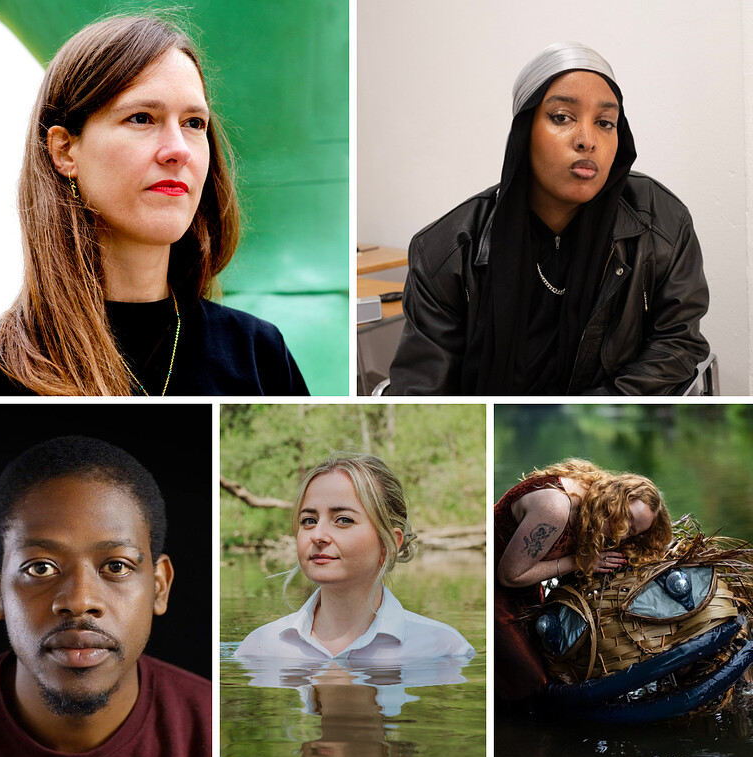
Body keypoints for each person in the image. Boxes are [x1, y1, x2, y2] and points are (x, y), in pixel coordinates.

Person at [0, 14, 308, 396]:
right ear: (64, 150)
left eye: (193, 123)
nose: (178, 150)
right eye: (142, 118)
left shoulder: (258, 353)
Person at [389, 42, 709, 396]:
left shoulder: (662, 223)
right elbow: (422, 389)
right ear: (525, 131)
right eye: (562, 117)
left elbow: (678, 344)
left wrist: (588, 414)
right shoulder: (444, 252)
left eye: (605, 123)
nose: (587, 140)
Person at [0, 436, 210, 757]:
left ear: (160, 587)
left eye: (116, 566)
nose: (79, 601)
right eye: (40, 568)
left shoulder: (215, 733)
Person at [235, 453, 476, 661]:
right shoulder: (259, 649)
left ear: (390, 542)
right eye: (309, 520)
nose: (318, 535)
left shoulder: (445, 649)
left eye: (343, 520)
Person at [494, 458, 672, 708]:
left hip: (526, 590)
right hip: (492, 588)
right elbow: (509, 576)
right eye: (627, 519)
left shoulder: (596, 509)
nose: (622, 533)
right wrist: (580, 562)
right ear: (614, 497)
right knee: (531, 685)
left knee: (559, 669)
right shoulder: (555, 508)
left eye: (633, 531)